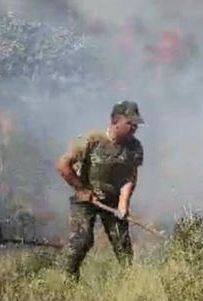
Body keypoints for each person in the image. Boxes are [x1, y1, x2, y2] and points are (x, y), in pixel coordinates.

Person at [56, 101, 144, 279]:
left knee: (122, 244)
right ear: (115, 121)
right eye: (130, 123)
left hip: (112, 199)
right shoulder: (91, 140)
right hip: (86, 199)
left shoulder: (135, 147)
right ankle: (67, 280)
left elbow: (130, 177)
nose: (134, 127)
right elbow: (63, 165)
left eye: (136, 124)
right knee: (82, 239)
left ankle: (130, 282)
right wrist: (81, 189)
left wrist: (123, 203)